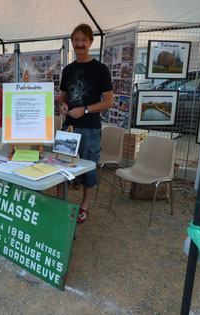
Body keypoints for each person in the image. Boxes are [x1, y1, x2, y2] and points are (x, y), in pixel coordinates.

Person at [57, 23, 114, 223]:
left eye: (84, 40)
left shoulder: (100, 69)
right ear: (72, 42)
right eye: (77, 40)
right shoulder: (68, 69)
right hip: (68, 126)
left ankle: (85, 205)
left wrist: (86, 109)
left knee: (89, 166)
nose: (80, 44)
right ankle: (59, 201)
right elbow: (62, 96)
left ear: (90, 42)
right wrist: (62, 105)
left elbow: (109, 101)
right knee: (61, 164)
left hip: (90, 127)